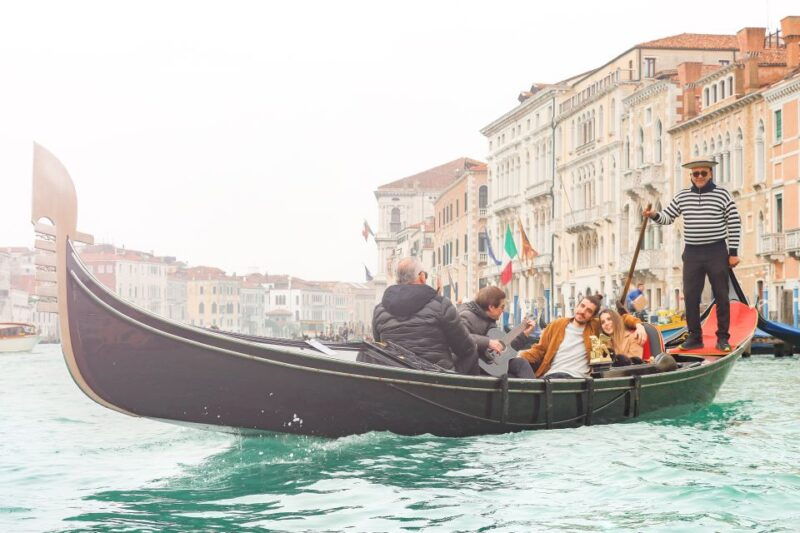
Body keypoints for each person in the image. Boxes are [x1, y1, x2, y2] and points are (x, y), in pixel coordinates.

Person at [643, 159, 741, 352]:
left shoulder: (722, 194)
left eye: (703, 173)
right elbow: (668, 217)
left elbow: (734, 222)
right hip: (692, 252)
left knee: (721, 295)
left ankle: (722, 338)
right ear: (691, 176)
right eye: (695, 174)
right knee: (690, 296)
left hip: (716, 250)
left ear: (710, 174)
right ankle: (695, 337)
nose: (699, 177)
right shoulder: (682, 196)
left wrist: (733, 253)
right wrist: (654, 214)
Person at [372, 257, 479, 374]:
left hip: (396, 379)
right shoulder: (441, 305)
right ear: (421, 276)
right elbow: (466, 349)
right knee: (472, 351)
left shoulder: (379, 310)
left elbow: (379, 344)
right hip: (437, 381)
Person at [516, 295, 646, 379]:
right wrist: (519, 356)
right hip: (550, 376)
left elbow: (618, 318)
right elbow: (539, 350)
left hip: (575, 378)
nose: (583, 311)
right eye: (582, 306)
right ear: (577, 306)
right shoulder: (557, 324)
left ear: (592, 317)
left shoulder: (595, 326)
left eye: (589, 311)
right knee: (515, 365)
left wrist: (638, 324)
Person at [459, 286, 536, 378]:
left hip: (488, 366)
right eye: (502, 307)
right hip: (472, 369)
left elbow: (503, 349)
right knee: (511, 378)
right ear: (491, 307)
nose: (503, 311)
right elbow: (460, 338)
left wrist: (524, 334)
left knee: (521, 364)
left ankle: (534, 391)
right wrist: (488, 342)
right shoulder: (466, 316)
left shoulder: (489, 320)